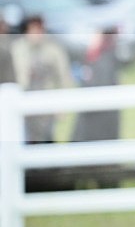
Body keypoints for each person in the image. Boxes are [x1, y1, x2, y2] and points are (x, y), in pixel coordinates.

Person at [11, 15, 73, 143]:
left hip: (46, 101)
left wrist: (62, 105)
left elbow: (64, 77)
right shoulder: (17, 48)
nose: (37, 33)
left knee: (46, 138)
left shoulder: (53, 49)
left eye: (40, 29)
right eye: (33, 29)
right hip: (24, 101)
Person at [71, 29, 120, 142]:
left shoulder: (104, 59)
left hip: (98, 120)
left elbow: (99, 86)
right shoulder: (96, 57)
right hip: (94, 118)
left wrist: (84, 81)